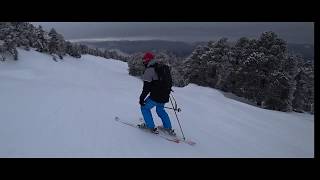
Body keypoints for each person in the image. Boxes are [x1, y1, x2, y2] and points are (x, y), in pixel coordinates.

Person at [139, 52, 175, 135]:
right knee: (160, 109)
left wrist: (141, 98)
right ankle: (167, 127)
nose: (143, 62)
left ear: (147, 60)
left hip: (156, 96)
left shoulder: (149, 70)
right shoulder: (163, 67)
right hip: (165, 95)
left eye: (144, 60)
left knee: (144, 107)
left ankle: (150, 126)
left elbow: (146, 88)